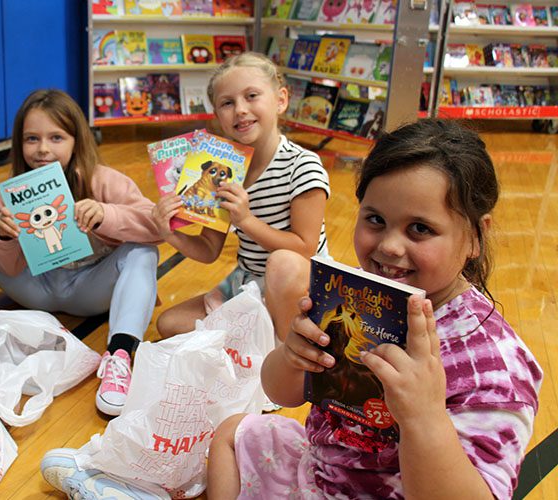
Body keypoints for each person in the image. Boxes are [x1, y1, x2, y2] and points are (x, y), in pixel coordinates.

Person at [207, 119, 543, 499]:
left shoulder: (492, 367)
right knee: (232, 433)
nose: (390, 247)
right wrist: (292, 355)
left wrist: (423, 416)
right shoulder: (351, 298)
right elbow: (283, 394)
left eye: (419, 229)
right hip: (322, 473)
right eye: (375, 220)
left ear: (476, 237)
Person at [0, 89, 161, 417]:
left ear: (77, 140)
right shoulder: (14, 194)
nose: (43, 149)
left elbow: (157, 226)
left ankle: (119, 357)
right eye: (32, 139)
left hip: (89, 291)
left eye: (56, 137)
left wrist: (108, 214)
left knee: (142, 252)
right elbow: (8, 265)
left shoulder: (105, 181)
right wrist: (5, 237)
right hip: (36, 287)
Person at [152, 52, 329, 339]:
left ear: (281, 100)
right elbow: (209, 250)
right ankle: (261, 334)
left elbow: (304, 248)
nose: (240, 110)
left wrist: (246, 220)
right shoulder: (225, 171)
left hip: (299, 282)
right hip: (248, 284)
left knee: (282, 263)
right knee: (170, 324)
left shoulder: (302, 164)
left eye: (252, 96)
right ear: (218, 116)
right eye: (227, 103)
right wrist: (169, 233)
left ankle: (282, 345)